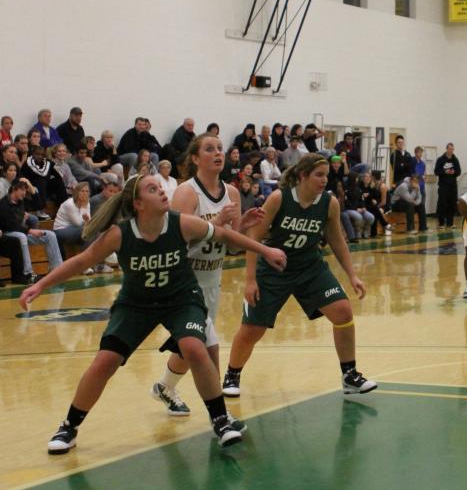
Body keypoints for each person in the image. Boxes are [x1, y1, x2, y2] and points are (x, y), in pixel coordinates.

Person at [19, 173, 286, 453]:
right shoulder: (120, 234)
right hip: (136, 304)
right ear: (137, 204)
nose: (161, 191)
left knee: (195, 348)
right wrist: (40, 285)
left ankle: (220, 420)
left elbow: (224, 234)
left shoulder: (180, 222)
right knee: (104, 361)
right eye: (152, 189)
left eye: (160, 187)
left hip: (181, 300)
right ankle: (69, 427)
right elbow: (82, 260)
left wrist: (265, 250)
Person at [222, 153, 377, 398]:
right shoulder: (278, 198)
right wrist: (250, 279)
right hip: (274, 269)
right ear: (303, 175)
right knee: (253, 329)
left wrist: (352, 275)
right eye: (319, 175)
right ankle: (232, 373)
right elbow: (253, 237)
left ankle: (350, 375)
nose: (325, 180)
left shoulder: (329, 203)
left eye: (326, 175)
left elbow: (337, 240)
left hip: (310, 267)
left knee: (343, 311)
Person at [150, 133, 246, 415]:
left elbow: (232, 247)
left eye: (220, 148)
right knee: (208, 346)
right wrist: (217, 223)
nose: (217, 153)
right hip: (183, 284)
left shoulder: (233, 193)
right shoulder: (187, 193)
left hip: (212, 281)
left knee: (189, 346)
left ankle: (164, 387)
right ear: (195, 158)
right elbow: (175, 243)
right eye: (209, 149)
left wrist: (244, 228)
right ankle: (220, 416)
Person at [0, 178, 64, 279]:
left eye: (25, 190)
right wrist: (30, 230)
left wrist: (31, 187)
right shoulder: (3, 204)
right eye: (22, 190)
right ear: (14, 189)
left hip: (21, 231)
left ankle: (57, 269)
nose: (24, 192)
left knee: (50, 235)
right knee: (22, 236)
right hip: (7, 234)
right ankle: (28, 273)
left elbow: (39, 205)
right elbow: (11, 226)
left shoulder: (20, 202)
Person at [53, 181, 94, 258]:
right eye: (82, 191)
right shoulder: (70, 204)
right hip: (61, 230)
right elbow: (78, 223)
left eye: (87, 191)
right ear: (77, 192)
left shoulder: (87, 203)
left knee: (93, 232)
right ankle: (84, 261)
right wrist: (83, 207)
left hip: (76, 230)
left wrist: (87, 221)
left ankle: (91, 262)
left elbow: (89, 222)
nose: (85, 193)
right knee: (87, 231)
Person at [434, 143, 462, 227]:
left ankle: (450, 222)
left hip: (452, 186)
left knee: (452, 204)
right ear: (446, 149)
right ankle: (441, 222)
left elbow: (459, 171)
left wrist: (454, 172)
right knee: (442, 203)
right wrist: (444, 172)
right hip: (443, 185)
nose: (451, 151)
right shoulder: (440, 159)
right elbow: (436, 171)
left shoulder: (455, 159)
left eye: (452, 149)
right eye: (449, 149)